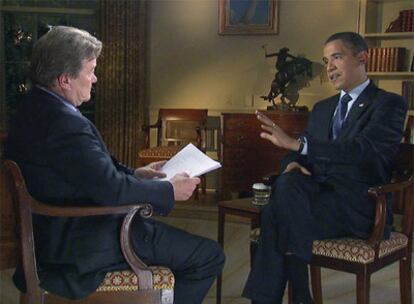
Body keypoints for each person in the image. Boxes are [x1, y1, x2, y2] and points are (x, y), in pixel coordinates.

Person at [4, 25, 225, 303]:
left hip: (59, 233)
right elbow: (110, 190)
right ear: (64, 80)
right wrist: (169, 191)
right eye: (90, 70)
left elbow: (90, 173)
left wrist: (138, 174)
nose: (95, 79)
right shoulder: (64, 124)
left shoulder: (33, 109)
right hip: (83, 242)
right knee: (208, 256)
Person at [242, 32, 407, 304]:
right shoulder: (322, 108)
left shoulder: (388, 104)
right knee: (288, 183)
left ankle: (284, 295)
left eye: (337, 58)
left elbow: (362, 151)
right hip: (316, 201)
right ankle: (298, 296)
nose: (329, 67)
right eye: (326, 60)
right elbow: (301, 151)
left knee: (276, 213)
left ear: (362, 57)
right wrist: (293, 161)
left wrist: (298, 148)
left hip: (359, 206)